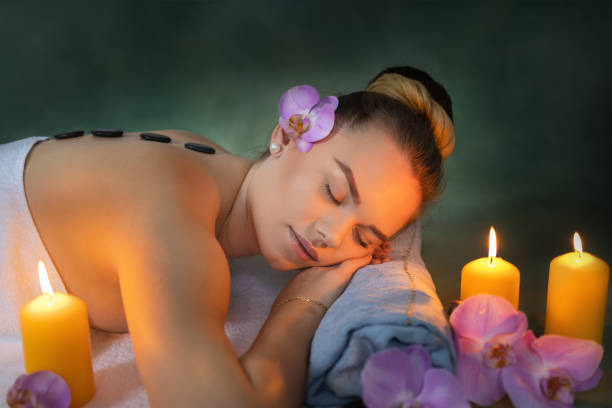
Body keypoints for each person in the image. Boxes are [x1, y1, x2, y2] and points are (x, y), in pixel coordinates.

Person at [18, 65, 455, 407]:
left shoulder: (199, 153)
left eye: (363, 236)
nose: (330, 235)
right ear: (285, 133)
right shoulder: (175, 224)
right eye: (333, 191)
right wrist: (301, 303)